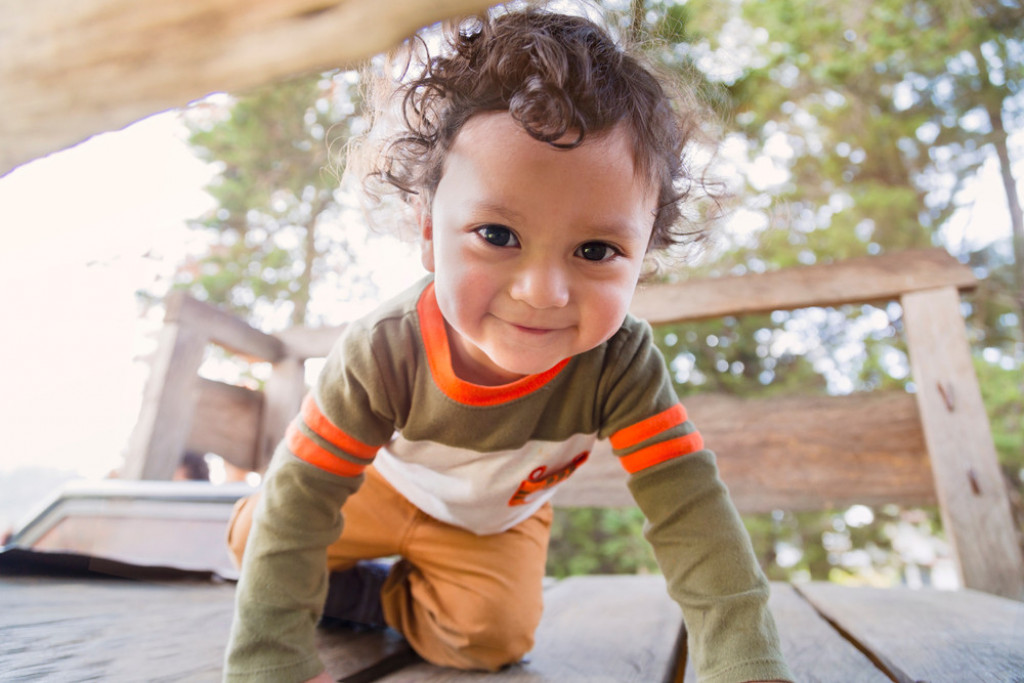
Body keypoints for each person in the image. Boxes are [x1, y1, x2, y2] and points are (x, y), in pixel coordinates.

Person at [223, 6, 792, 683]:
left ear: (645, 256)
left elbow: (692, 512)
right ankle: (339, 582)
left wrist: (747, 667)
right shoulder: (383, 350)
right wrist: (270, 663)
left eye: (596, 249)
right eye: (497, 235)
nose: (544, 291)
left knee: (490, 637)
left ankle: (383, 598)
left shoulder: (621, 364)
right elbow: (305, 494)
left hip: (490, 522)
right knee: (260, 535)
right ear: (428, 232)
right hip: (377, 487)